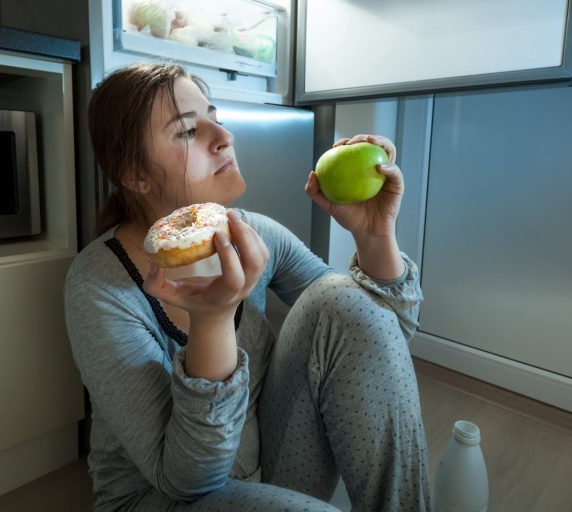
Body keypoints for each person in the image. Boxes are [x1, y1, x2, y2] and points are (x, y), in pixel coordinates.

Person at [64, 62, 430, 512]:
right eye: (186, 132)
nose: (224, 136)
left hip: (265, 455)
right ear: (135, 174)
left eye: (215, 117)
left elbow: (377, 342)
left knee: (338, 298)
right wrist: (213, 320)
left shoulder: (255, 233)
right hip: (161, 494)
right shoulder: (100, 285)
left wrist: (374, 237)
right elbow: (187, 480)